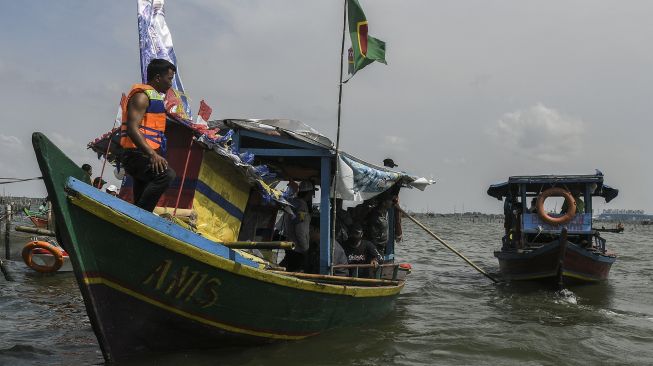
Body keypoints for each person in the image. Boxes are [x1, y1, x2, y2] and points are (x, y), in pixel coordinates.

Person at [119, 59, 176, 212]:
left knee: (142, 196)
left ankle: (135, 222)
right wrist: (153, 155)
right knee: (166, 175)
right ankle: (140, 217)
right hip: (135, 155)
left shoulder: (155, 98)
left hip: (144, 154)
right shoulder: (141, 97)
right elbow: (132, 128)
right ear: (158, 78)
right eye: (169, 79)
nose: (171, 84)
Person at [279, 181, 315, 272]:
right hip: (298, 249)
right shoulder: (302, 206)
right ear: (308, 193)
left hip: (290, 245)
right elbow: (300, 230)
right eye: (312, 192)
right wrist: (305, 249)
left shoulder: (293, 202)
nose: (313, 195)